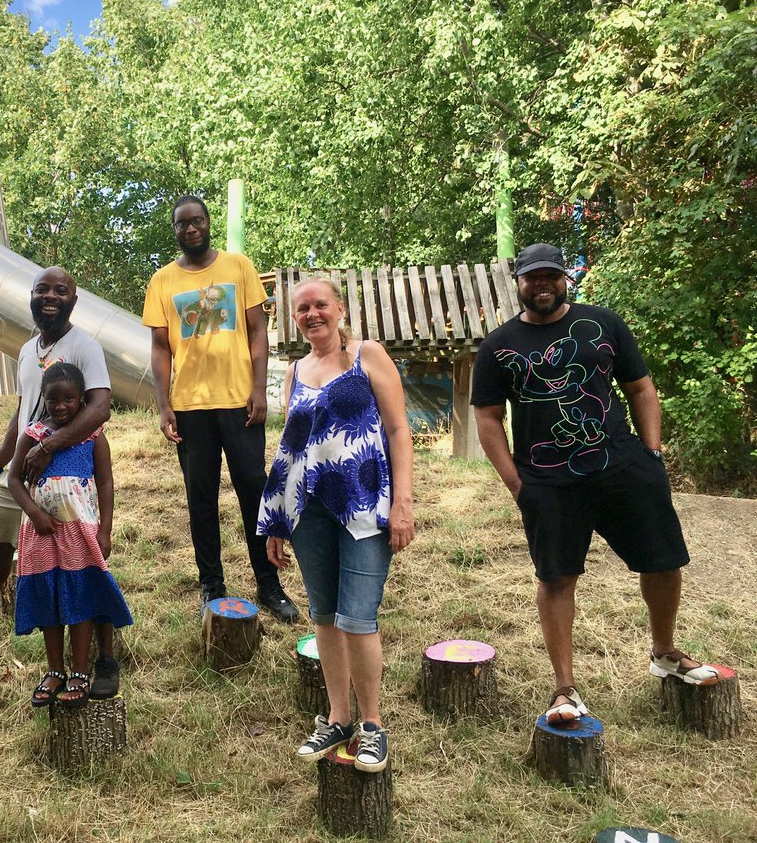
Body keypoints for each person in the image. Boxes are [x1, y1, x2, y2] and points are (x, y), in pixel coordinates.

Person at [472, 243, 718, 727]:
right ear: (518, 282)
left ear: (565, 279)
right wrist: (516, 483)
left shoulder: (604, 323)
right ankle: (564, 689)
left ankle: (665, 652)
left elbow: (641, 387)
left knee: (664, 560)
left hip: (622, 468)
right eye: (532, 277)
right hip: (547, 482)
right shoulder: (497, 345)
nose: (542, 284)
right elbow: (486, 418)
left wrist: (652, 455)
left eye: (552, 276)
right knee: (557, 578)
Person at [0, 267, 124, 699]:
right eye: (42, 289)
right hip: (27, 470)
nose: (50, 296)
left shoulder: (85, 346)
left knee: (89, 564)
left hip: (67, 472)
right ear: (32, 297)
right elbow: (22, 415)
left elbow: (99, 409)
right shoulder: (25, 351)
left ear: (74, 299)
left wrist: (52, 445)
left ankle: (104, 657)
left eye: (60, 290)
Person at [258, 278, 414, 772]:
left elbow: (397, 429)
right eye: (301, 309)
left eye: (320, 305)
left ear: (339, 309)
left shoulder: (368, 355)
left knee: (357, 617)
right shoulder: (295, 371)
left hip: (365, 506)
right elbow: (290, 448)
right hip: (309, 511)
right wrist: (277, 520)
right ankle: (338, 717)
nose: (311, 314)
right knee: (324, 614)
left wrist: (404, 503)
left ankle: (372, 726)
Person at [142, 195, 299, 623]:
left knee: (254, 490)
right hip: (190, 407)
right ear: (174, 230)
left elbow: (257, 331)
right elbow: (159, 348)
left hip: (238, 403)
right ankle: (212, 588)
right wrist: (163, 404)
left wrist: (258, 389)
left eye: (197, 221)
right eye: (181, 224)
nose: (190, 229)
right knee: (201, 499)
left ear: (208, 223)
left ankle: (269, 585)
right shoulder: (162, 281)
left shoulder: (238, 266)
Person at [8, 362, 132, 707]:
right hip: (41, 535)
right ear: (43, 399)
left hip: (80, 531)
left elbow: (106, 483)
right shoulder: (33, 436)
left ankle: (80, 671)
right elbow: (14, 480)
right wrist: (34, 513)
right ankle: (54, 670)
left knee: (79, 598)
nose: (60, 406)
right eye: (53, 399)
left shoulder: (93, 437)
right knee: (49, 598)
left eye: (69, 399)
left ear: (82, 400)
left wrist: (105, 531)